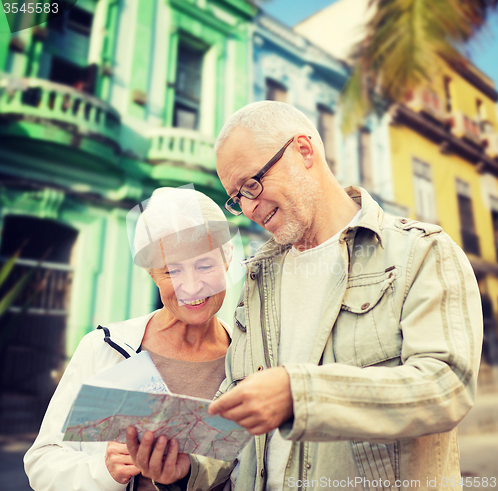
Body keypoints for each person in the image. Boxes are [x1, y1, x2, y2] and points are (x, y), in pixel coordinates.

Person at [203, 101, 483, 491]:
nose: (248, 208)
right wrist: (185, 469)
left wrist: (301, 395)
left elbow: (445, 387)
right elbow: (235, 403)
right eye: (236, 198)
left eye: (252, 185)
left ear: (304, 151)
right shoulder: (257, 277)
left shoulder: (420, 252)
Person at [24, 187, 236, 491]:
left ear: (226, 260)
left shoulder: (246, 359)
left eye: (204, 265)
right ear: (152, 274)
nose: (191, 286)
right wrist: (105, 471)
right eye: (171, 271)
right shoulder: (104, 349)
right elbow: (42, 462)